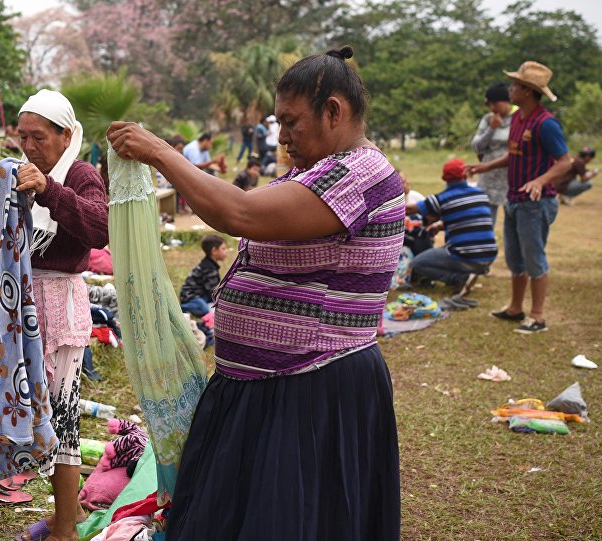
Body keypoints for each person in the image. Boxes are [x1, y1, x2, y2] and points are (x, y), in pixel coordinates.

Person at [108, 45, 401, 540]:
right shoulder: (317, 169)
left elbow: (242, 213)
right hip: (264, 383)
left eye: (291, 122)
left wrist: (160, 153)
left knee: (288, 518)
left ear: (334, 110)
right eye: (278, 122)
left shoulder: (358, 175)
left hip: (310, 385)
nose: (282, 137)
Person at [0, 89, 107, 541]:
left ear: (66, 136)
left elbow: (100, 227)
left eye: (39, 137)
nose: (28, 146)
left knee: (61, 417)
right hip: (21, 309)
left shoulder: (81, 175)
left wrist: (51, 191)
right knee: (35, 414)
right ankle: (70, 510)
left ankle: (65, 528)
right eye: (22, 136)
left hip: (58, 307)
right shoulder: (14, 175)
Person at [467, 61, 572, 334]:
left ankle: (537, 316)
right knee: (515, 258)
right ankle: (515, 308)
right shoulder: (518, 119)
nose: (510, 89)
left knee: (534, 257)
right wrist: (486, 166)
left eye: (515, 85)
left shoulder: (545, 124)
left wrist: (539, 181)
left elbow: (564, 162)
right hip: (513, 198)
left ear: (527, 91)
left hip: (536, 203)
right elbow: (513, 154)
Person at [407, 158, 497, 294]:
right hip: (488, 255)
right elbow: (465, 220)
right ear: (465, 175)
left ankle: (458, 278)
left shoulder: (443, 198)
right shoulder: (480, 193)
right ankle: (476, 270)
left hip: (465, 255)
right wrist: (439, 226)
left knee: (417, 264)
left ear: (444, 178)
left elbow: (409, 210)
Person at [471, 83, 512, 225]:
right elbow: (476, 146)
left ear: (507, 101)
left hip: (511, 178)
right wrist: (491, 129)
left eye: (495, 103)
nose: (492, 108)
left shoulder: (519, 118)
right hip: (489, 177)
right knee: (486, 221)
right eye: (489, 104)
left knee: (512, 221)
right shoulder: (488, 119)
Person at [179, 234, 227, 318]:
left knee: (209, 306)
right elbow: (213, 292)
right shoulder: (208, 268)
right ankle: (181, 309)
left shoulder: (209, 265)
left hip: (202, 295)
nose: (226, 251)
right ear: (214, 251)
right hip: (191, 297)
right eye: (223, 248)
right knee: (203, 309)